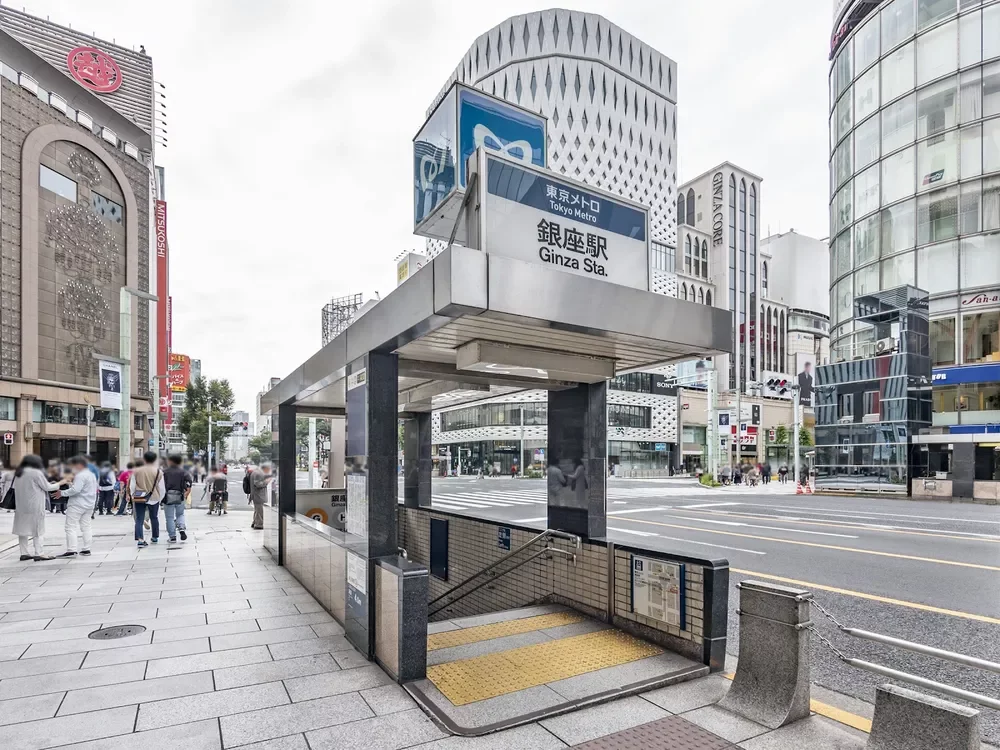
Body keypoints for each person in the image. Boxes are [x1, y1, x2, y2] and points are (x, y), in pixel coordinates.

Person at [12, 455, 60, 561]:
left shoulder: (18, 473)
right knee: (38, 529)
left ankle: (24, 553)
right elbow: (47, 487)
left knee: (22, 530)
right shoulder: (36, 472)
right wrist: (60, 483)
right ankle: (39, 553)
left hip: (21, 506)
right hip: (35, 506)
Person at [59, 455, 99, 557]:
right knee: (86, 526)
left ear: (79, 465)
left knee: (70, 527)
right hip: (89, 504)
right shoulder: (91, 475)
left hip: (77, 504)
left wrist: (62, 493)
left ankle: (71, 549)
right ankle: (86, 549)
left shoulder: (80, 475)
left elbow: (76, 490)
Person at [130, 451, 164, 547]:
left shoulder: (136, 471)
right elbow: (162, 488)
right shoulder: (158, 472)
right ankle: (154, 537)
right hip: (154, 498)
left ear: (144, 459)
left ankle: (140, 540)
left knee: (139, 519)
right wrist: (159, 498)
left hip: (139, 497)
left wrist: (133, 495)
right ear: (154, 460)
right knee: (154, 517)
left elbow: (132, 485)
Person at [162, 454, 191, 543]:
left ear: (170, 461)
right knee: (180, 514)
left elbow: (160, 485)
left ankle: (172, 537)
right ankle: (181, 528)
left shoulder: (164, 472)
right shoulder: (183, 472)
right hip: (180, 495)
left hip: (168, 496)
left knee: (170, 517)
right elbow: (189, 482)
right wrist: (187, 492)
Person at [249, 462, 273, 530]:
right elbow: (258, 484)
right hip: (258, 495)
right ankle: (259, 524)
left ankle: (254, 522)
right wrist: (266, 481)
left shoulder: (255, 472)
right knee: (259, 510)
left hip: (255, 494)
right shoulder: (258, 473)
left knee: (257, 510)